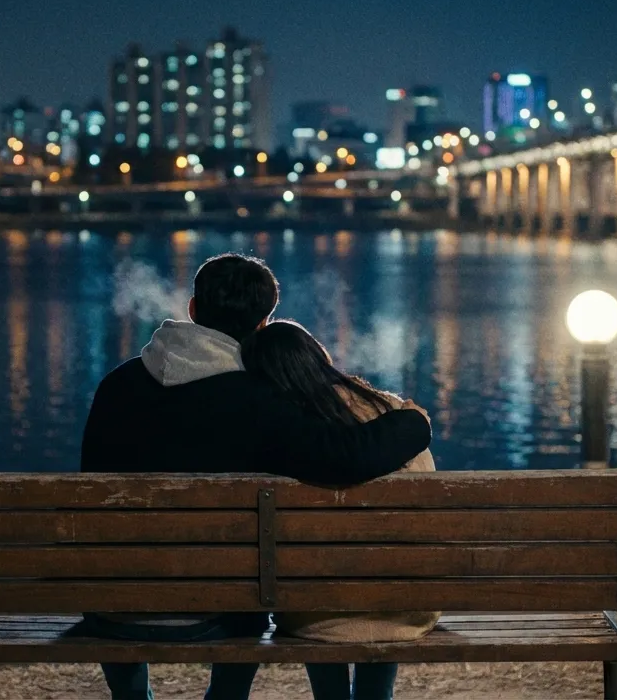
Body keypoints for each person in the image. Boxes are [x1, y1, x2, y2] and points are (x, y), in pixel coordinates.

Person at [80, 253, 432, 700]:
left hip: (110, 602)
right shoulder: (257, 401)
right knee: (246, 598)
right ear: (264, 323)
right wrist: (413, 421)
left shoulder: (118, 385)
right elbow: (347, 457)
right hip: (215, 611)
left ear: (192, 310)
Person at [240, 320, 440, 700]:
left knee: (317, 581)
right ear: (320, 359)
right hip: (404, 606)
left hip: (315, 614)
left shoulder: (284, 431)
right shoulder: (392, 411)